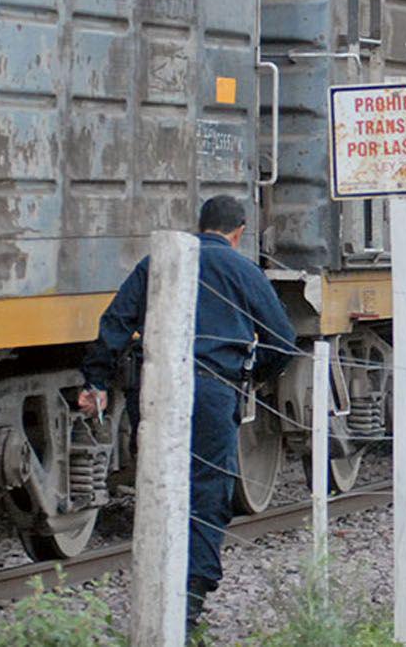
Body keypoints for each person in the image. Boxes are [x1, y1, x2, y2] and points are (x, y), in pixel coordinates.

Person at [79, 195, 296, 635]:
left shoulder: (156, 263)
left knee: (159, 486)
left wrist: (96, 380)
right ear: (239, 231)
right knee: (208, 490)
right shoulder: (244, 271)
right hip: (215, 390)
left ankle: (156, 594)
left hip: (156, 389)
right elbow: (282, 340)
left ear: (201, 225)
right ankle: (189, 604)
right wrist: (251, 375)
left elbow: (116, 322)